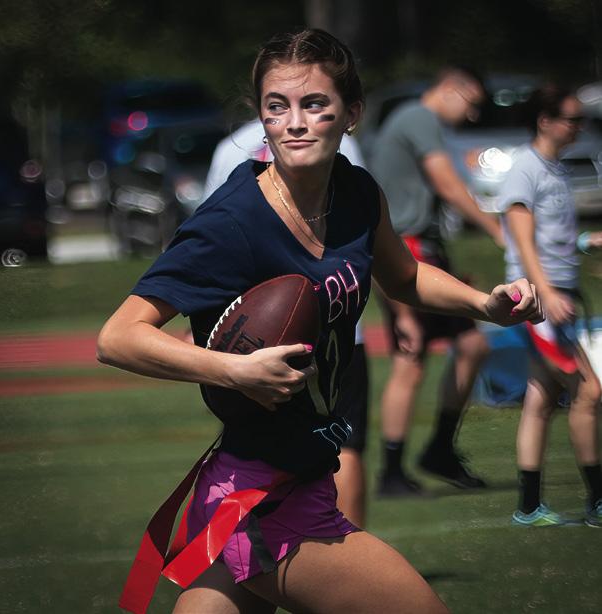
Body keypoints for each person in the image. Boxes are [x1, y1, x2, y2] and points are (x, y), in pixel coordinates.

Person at [98, 29, 542, 614]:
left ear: (351, 113)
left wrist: (484, 304)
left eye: (314, 104)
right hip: (257, 495)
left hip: (298, 475)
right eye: (276, 107)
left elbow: (404, 275)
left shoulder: (356, 191)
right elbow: (118, 337)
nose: (295, 123)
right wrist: (235, 370)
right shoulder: (232, 222)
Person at [203, 118, 370, 527]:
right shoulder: (333, 138)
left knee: (272, 452)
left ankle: (336, 545)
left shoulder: (229, 146)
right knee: (342, 445)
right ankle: (335, 546)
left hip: (267, 339)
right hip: (328, 332)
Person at [370, 67, 505, 496]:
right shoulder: (418, 116)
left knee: (471, 345)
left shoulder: (414, 119)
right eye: (472, 104)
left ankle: (438, 450)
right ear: (451, 88)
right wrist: (499, 231)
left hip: (420, 248)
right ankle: (392, 471)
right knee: (411, 358)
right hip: (406, 251)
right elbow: (448, 185)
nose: (471, 115)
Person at [496, 84, 602, 527]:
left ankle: (528, 506)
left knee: (541, 398)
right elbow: (522, 242)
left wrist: (586, 240)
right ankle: (597, 500)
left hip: (556, 292)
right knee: (588, 391)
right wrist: (548, 294)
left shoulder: (554, 168)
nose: (579, 127)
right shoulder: (526, 168)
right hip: (539, 300)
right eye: (572, 119)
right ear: (545, 121)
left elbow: (550, 236)